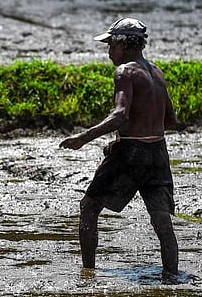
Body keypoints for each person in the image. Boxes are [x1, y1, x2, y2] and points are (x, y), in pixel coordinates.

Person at [59, 18, 179, 277]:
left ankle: (87, 273)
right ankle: (171, 277)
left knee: (89, 208)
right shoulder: (157, 72)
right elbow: (171, 119)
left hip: (130, 154)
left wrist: (83, 138)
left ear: (123, 44)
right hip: (158, 152)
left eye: (111, 45)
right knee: (161, 220)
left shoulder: (125, 72)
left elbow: (120, 115)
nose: (109, 51)